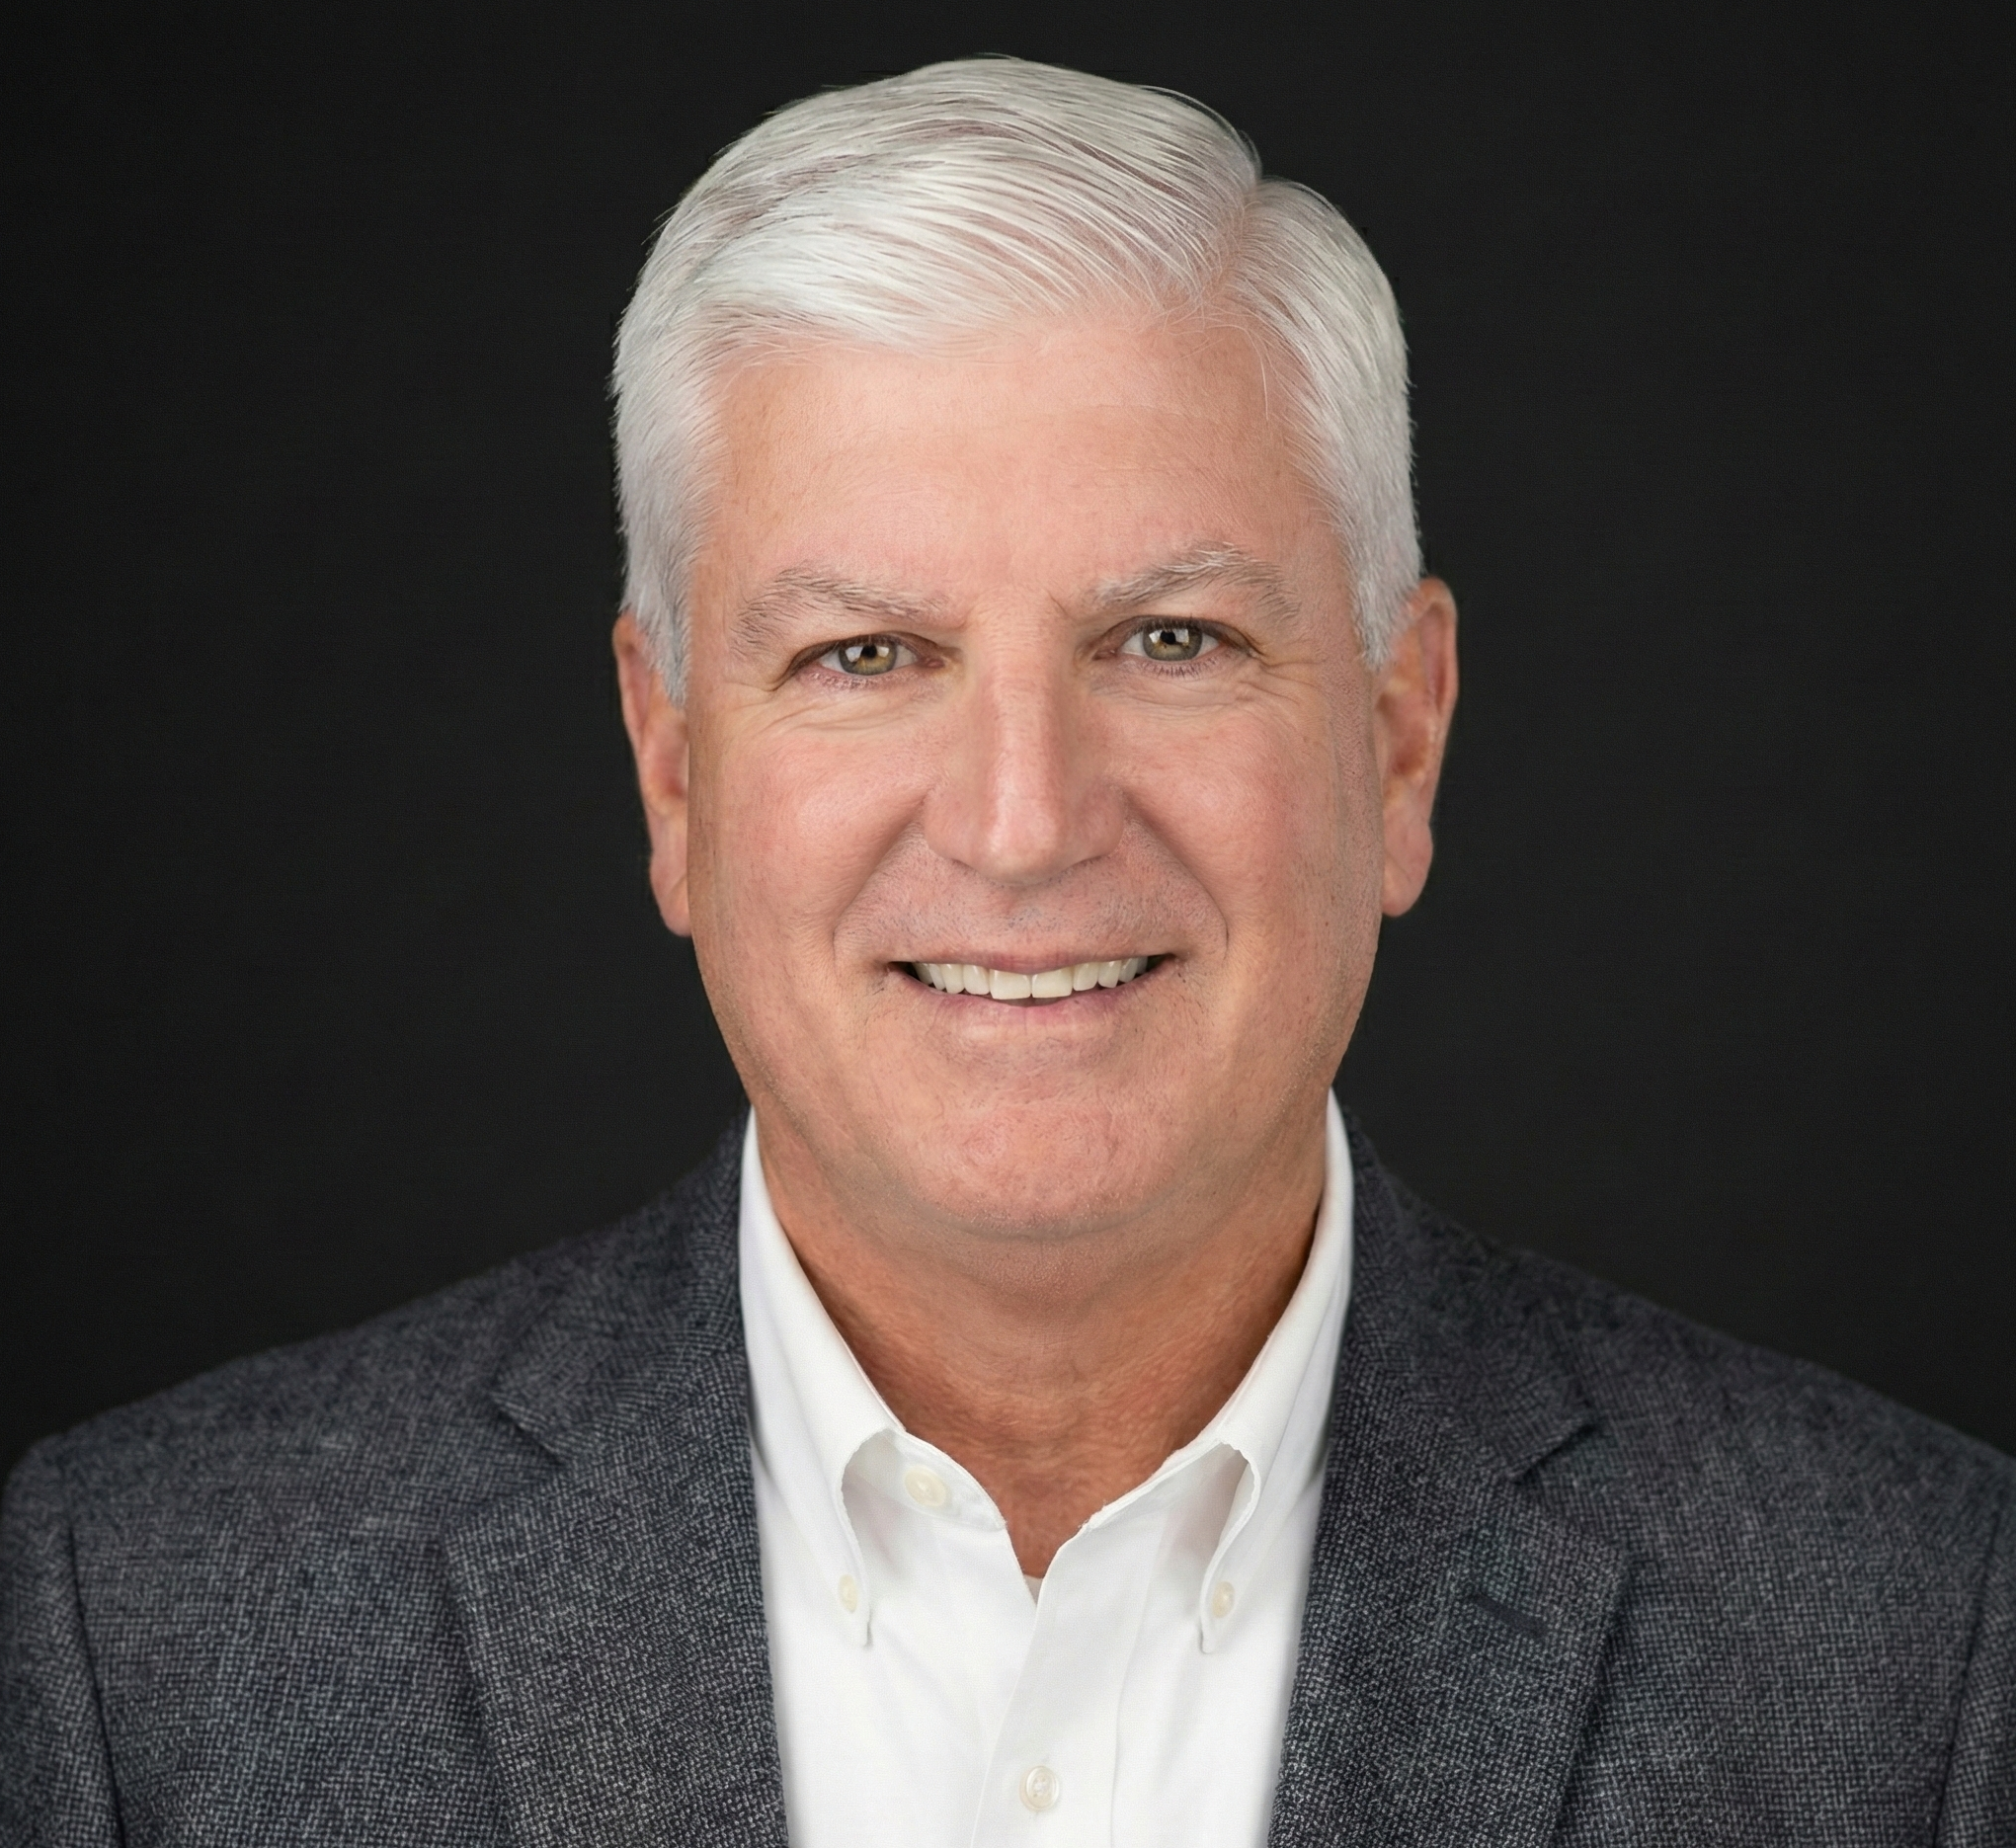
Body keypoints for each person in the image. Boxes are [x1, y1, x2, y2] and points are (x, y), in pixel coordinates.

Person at [2, 56, 2009, 1847]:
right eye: (867, 654)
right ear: (672, 770)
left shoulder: (1915, 1649)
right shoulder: (138, 1632)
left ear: (1402, 736)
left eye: (1171, 640)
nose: (1026, 818)